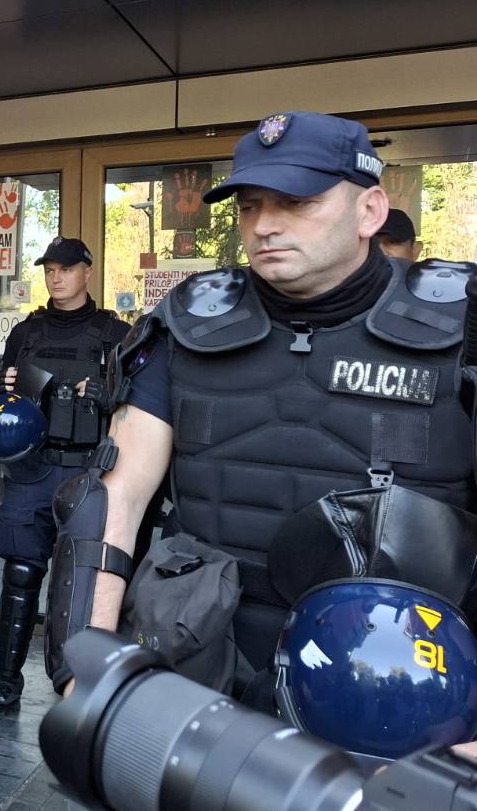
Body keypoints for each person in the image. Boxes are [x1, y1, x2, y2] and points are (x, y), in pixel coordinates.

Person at [43, 111, 474, 707]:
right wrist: (83, 669)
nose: (265, 225)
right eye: (250, 206)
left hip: (405, 690)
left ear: (370, 211)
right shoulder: (189, 323)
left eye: (297, 202)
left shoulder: (462, 325)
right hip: (201, 672)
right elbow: (112, 501)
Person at [0, 238, 129, 721]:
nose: (55, 277)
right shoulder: (26, 332)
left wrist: (105, 393)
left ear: (87, 270)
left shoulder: (115, 334)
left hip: (89, 470)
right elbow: (6, 395)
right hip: (33, 468)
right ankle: (3, 683)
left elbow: (134, 407)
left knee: (86, 583)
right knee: (20, 574)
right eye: (49, 269)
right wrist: (5, 388)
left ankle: (84, 690)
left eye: (65, 269)